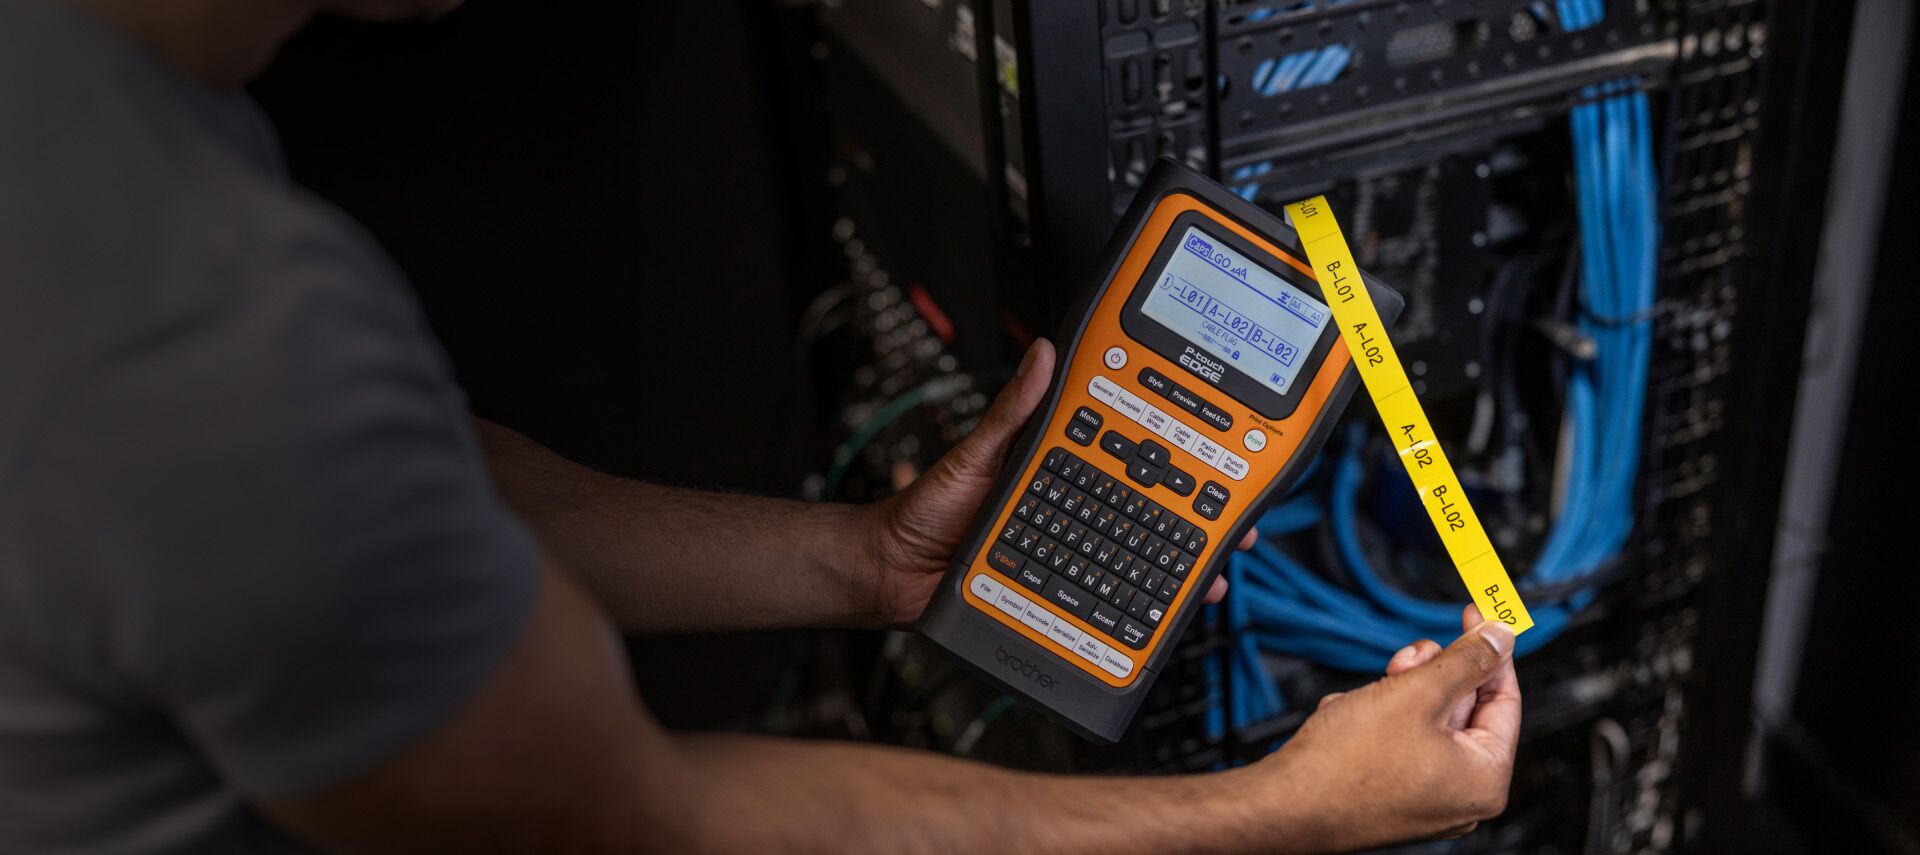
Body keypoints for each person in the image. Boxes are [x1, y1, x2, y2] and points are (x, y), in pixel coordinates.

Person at [0, 0, 1522, 851]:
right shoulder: (191, 317)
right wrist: (1292, 811)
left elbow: (419, 490)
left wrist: (865, 563)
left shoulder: (88, 112)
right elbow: (640, 833)